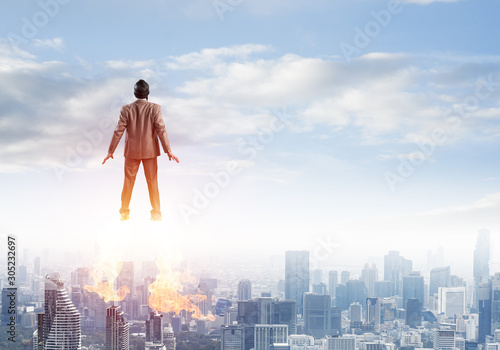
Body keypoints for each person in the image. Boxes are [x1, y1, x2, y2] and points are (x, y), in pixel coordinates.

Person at [102, 79, 179, 221]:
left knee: (128, 182)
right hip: (150, 153)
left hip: (131, 152)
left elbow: (118, 131)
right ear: (147, 93)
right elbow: (161, 129)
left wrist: (110, 151)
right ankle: (156, 214)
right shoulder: (155, 108)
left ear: (134, 93)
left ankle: (124, 213)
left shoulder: (126, 109)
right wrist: (168, 150)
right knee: (153, 182)